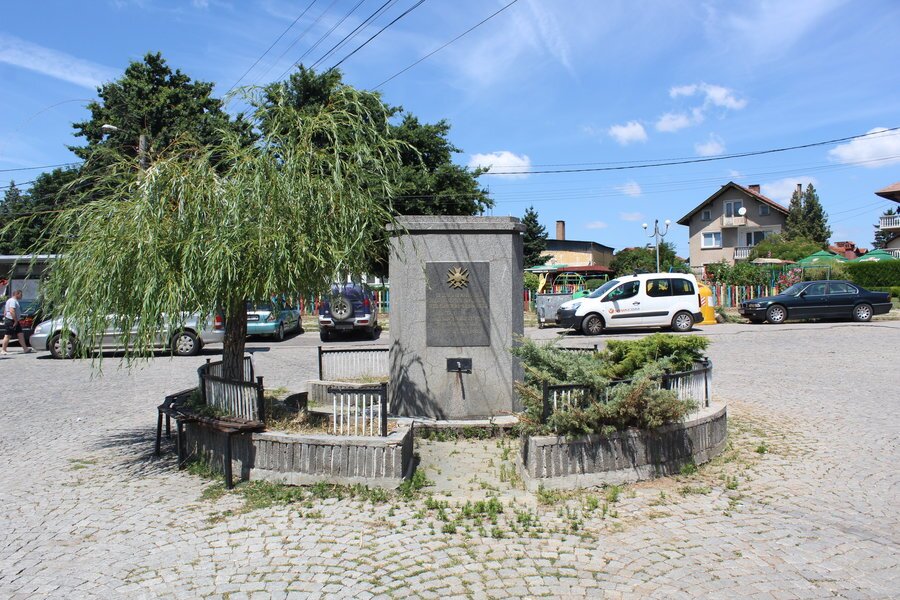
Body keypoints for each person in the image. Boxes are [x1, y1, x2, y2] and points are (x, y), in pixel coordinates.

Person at [2, 289, 34, 355]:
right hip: (12, 320)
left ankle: (25, 349)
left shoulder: (11, 301)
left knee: (20, 334)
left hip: (14, 320)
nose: (21, 296)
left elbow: (5, 311)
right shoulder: (12, 301)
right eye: (21, 294)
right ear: (17, 294)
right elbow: (11, 311)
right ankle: (3, 350)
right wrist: (15, 320)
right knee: (8, 335)